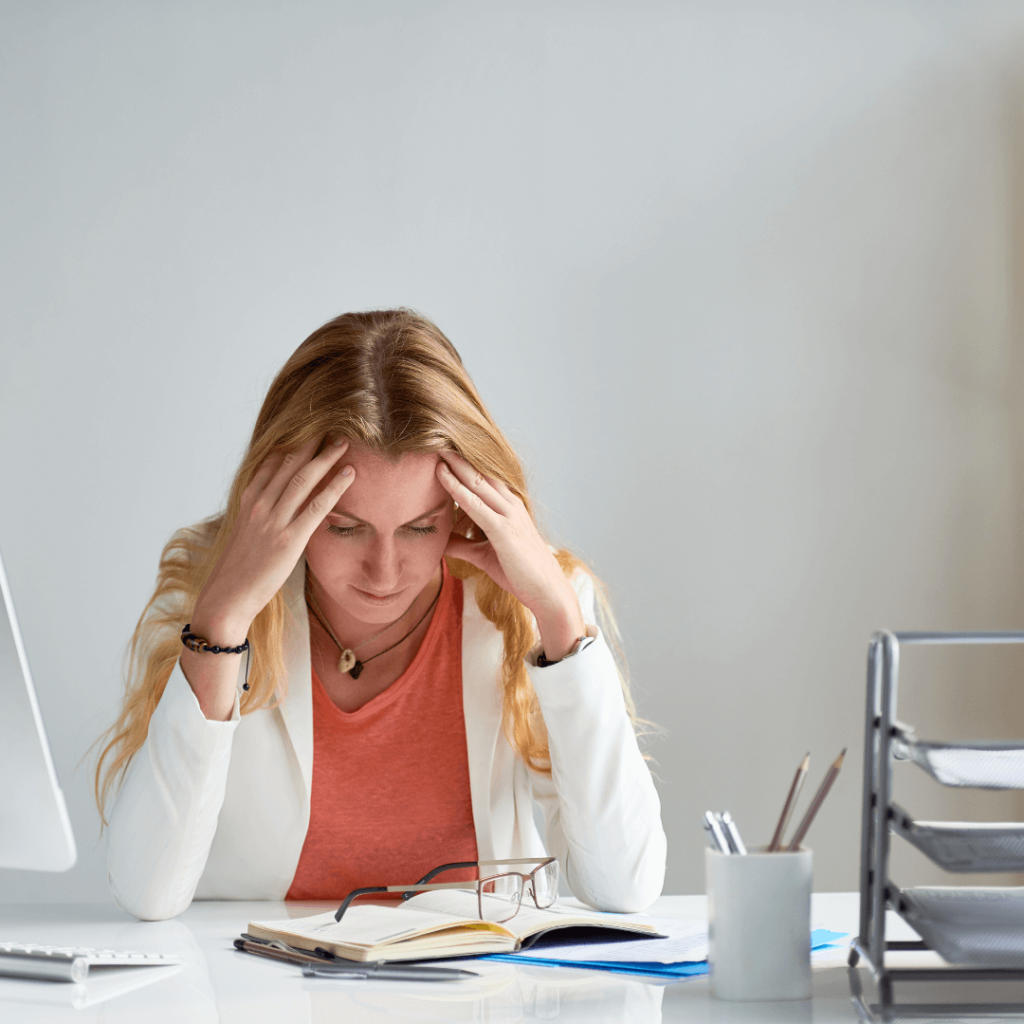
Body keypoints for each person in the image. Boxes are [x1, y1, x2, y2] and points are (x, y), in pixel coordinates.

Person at [95, 309, 666, 921]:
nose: (385, 573)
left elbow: (624, 885)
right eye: (345, 528)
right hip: (258, 993)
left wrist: (559, 616)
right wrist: (222, 623)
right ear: (280, 497)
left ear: (464, 503)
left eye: (420, 527)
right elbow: (147, 894)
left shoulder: (530, 608)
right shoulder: (214, 596)